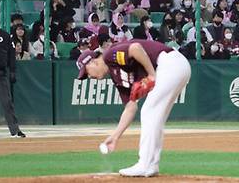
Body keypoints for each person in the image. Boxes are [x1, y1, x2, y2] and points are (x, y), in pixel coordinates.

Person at [76, 39, 191, 177]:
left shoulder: (109, 55)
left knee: (149, 112)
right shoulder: (116, 76)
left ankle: (144, 164)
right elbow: (130, 108)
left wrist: (151, 74)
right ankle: (152, 164)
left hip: (170, 64)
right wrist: (115, 136)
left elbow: (135, 48)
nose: (89, 76)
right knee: (155, 117)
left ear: (93, 62)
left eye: (87, 72)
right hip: (175, 67)